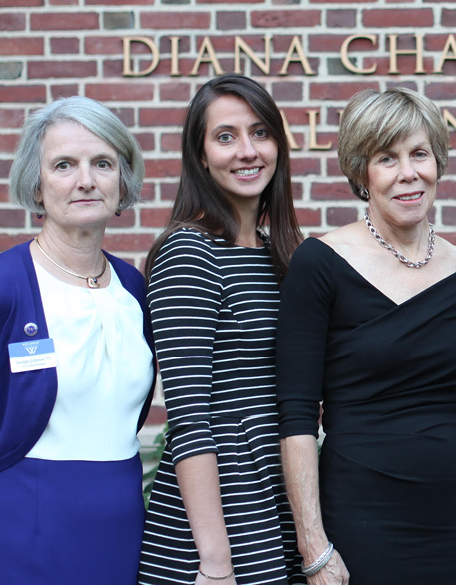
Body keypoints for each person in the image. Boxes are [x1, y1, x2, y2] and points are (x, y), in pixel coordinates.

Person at [0, 96, 154, 584]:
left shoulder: (136, 291)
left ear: (122, 180)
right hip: (15, 534)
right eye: (64, 165)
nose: (85, 179)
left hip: (119, 531)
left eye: (102, 163)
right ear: (37, 186)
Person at [275, 87, 456, 585]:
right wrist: (313, 546)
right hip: (361, 514)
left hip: (452, 517)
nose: (408, 173)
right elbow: (297, 415)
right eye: (386, 158)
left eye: (419, 154)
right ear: (361, 172)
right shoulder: (320, 264)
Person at [138, 74, 304, 585]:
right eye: (226, 136)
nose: (247, 151)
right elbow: (188, 418)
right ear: (201, 155)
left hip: (275, 493)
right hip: (221, 511)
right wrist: (214, 561)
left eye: (260, 132)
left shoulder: (282, 255)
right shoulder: (190, 252)